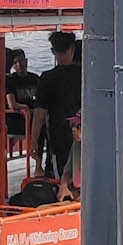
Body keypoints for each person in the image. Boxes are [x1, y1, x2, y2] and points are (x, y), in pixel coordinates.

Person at [35, 30, 83, 176]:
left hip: (59, 135)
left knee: (61, 175)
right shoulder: (86, 75)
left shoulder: (47, 78)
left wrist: (33, 141)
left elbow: (39, 114)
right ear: (73, 49)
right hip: (85, 133)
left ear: (52, 51)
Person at [3, 49, 40, 142]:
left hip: (33, 116)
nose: (19, 64)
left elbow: (42, 98)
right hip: (18, 118)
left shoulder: (35, 78)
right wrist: (28, 109)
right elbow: (12, 104)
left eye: (21, 60)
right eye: (15, 62)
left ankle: (45, 153)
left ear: (26, 61)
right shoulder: (10, 80)